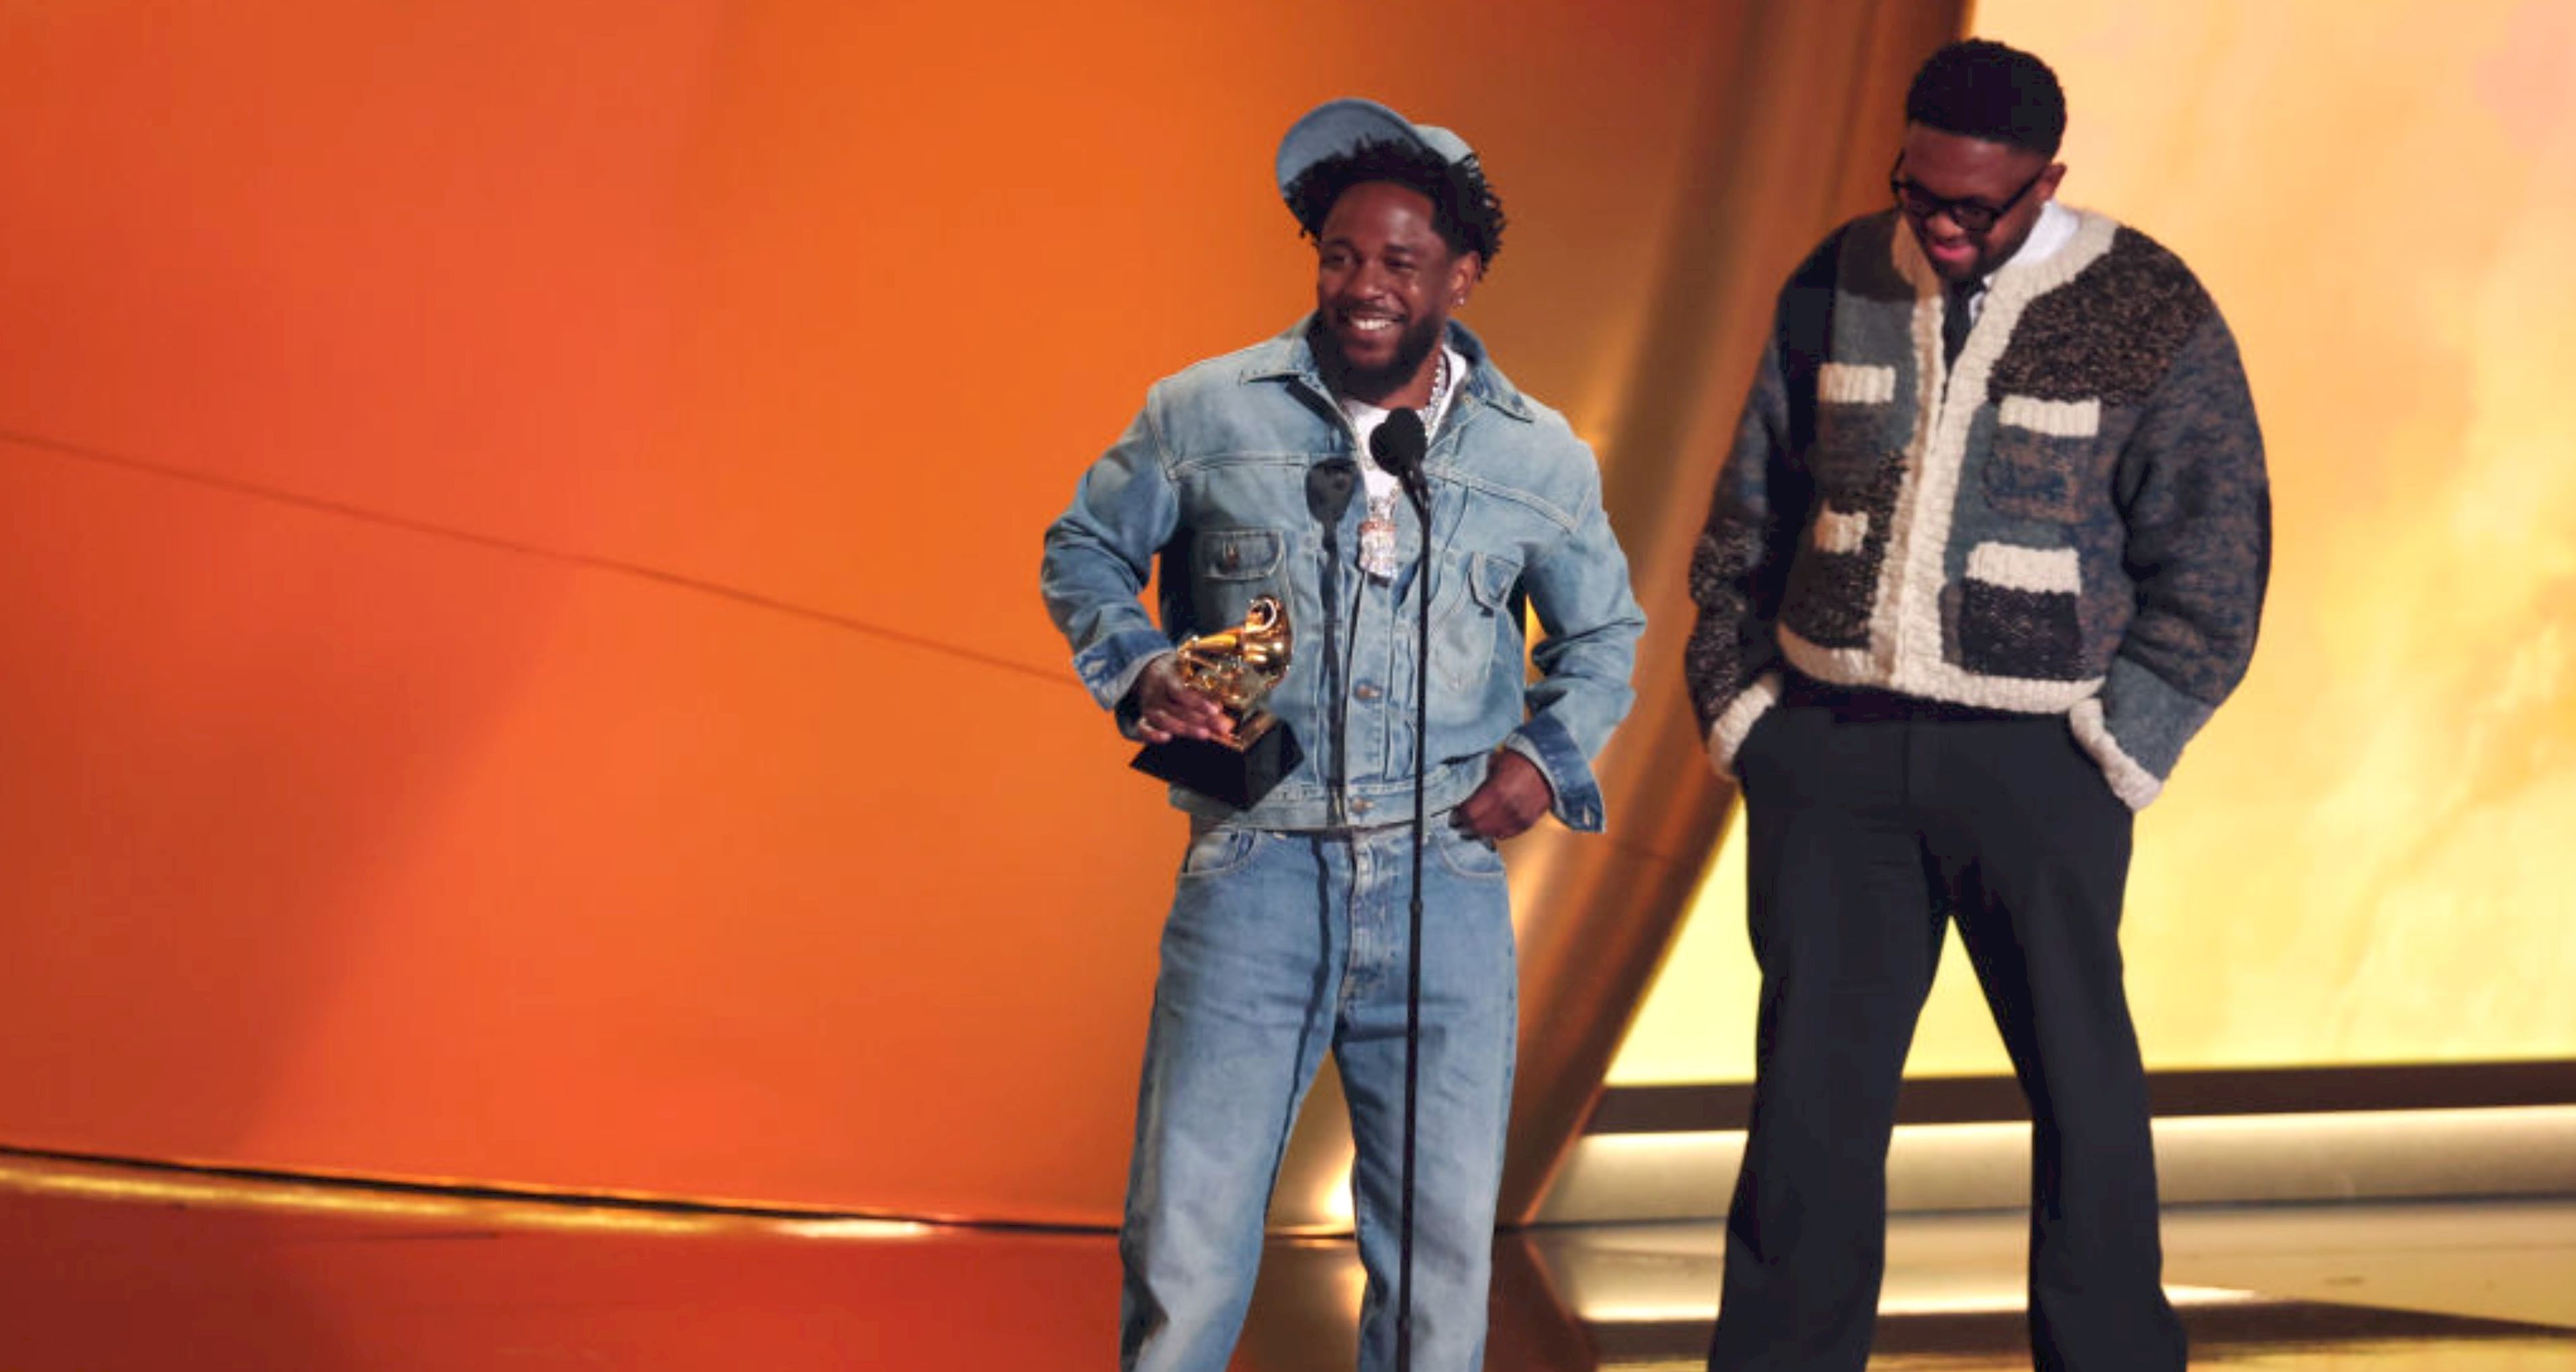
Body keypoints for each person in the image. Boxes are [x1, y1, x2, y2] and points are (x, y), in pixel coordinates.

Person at [1682, 38, 2269, 1372]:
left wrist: (2118, 743)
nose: (1941, 227)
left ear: (2045, 182)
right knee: (1809, 1112)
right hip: (1831, 757)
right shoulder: (1837, 275)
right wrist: (1746, 712)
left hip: (2041, 762)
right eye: (1919, 191)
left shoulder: (2145, 303)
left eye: (1975, 208)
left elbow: (2217, 549)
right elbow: (1750, 511)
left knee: (2084, 1096)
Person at [1041, 98, 1644, 1372]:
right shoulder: (1205, 411)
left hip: (1442, 882)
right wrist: (1142, 669)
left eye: (1400, 263)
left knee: (1435, 1259)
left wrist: (1541, 762)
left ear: (1461, 275)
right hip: (1254, 862)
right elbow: (1084, 547)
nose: (1364, 286)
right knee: (1185, 1243)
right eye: (1341, 256)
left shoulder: (1538, 457)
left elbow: (1602, 639)